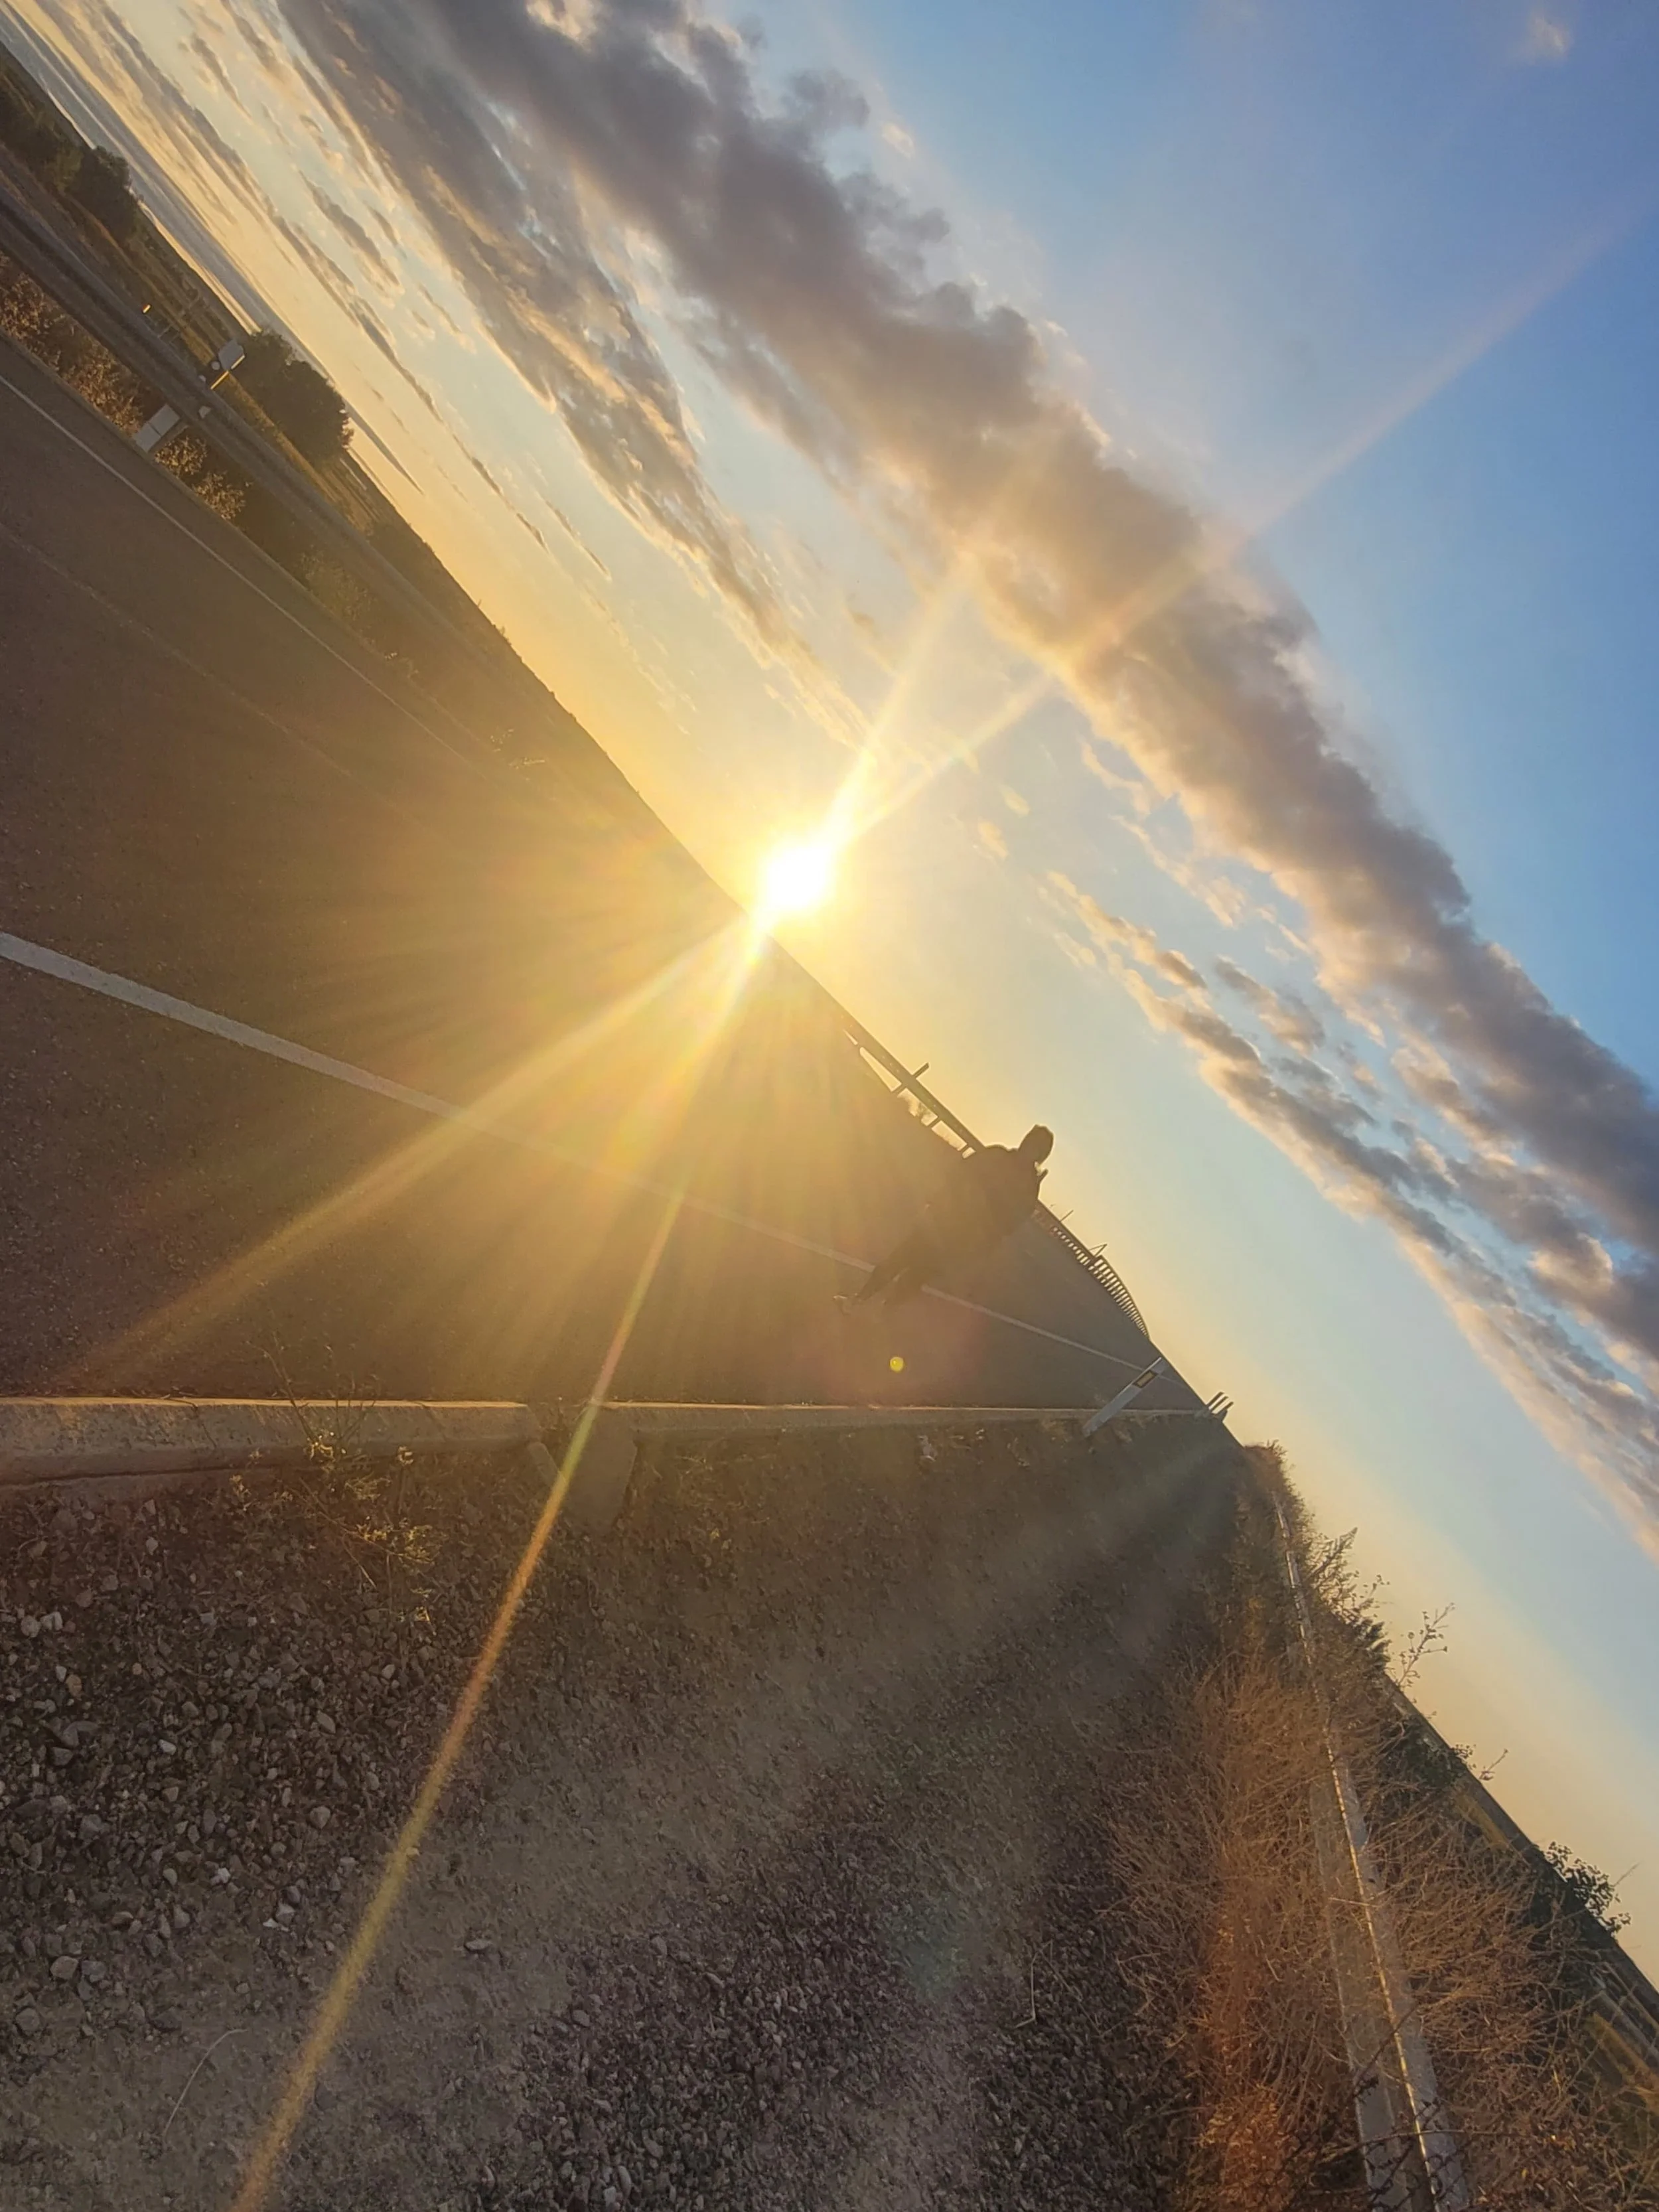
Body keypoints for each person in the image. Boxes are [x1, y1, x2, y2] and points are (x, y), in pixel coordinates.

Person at [839, 1125, 1054, 1310]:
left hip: (963, 1238)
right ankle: (859, 1300)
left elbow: (1008, 1225)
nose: (1029, 1148)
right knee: (901, 1257)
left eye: (1036, 1147)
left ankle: (885, 1310)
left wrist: (982, 1246)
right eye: (1030, 1141)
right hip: (943, 1218)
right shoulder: (998, 1156)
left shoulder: (1027, 1187)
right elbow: (960, 1172)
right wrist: (939, 1198)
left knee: (917, 1274)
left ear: (1040, 1154)